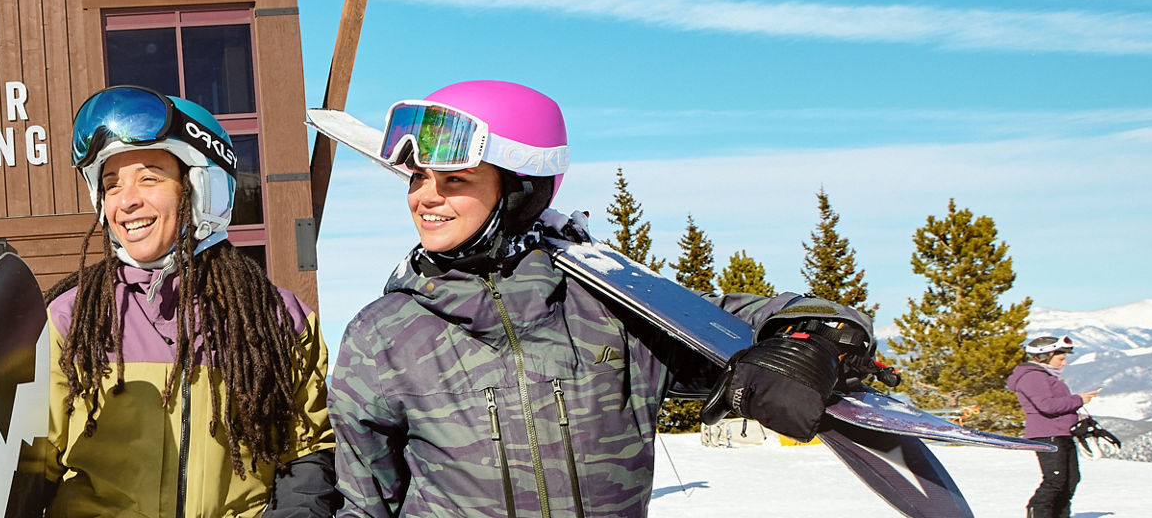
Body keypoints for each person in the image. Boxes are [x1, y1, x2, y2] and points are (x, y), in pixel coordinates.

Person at [323, 80, 879, 517]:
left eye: (455, 180)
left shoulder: (614, 307)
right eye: (416, 179)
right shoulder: (385, 332)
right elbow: (364, 501)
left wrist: (812, 345)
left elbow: (787, 317)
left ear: (520, 188)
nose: (425, 197)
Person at [14, 86, 341, 517]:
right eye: (112, 185)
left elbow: (308, 455)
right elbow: (29, 470)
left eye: (149, 178)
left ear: (203, 188)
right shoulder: (72, 320)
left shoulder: (275, 320)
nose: (126, 200)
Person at [1009, 336, 1098, 518]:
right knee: (1055, 481)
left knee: (1070, 480)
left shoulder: (1044, 376)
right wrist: (1079, 399)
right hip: (1048, 434)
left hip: (1060, 433)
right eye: (1060, 358)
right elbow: (1047, 406)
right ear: (1044, 357)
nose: (1064, 363)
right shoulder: (1032, 377)